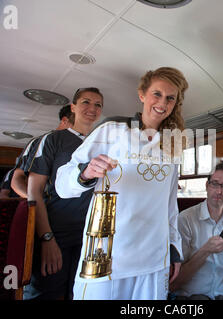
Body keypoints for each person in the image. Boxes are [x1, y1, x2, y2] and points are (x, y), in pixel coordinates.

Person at [55, 67, 189, 300]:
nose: (162, 103)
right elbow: (62, 183)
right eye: (156, 94)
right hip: (107, 253)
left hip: (154, 257)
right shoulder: (112, 130)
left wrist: (174, 250)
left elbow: (169, 206)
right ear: (142, 95)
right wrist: (85, 173)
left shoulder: (171, 145)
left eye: (170, 98)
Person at [24, 88, 103, 300]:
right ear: (73, 107)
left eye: (98, 105)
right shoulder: (53, 140)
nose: (92, 108)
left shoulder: (102, 144)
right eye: (86, 102)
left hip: (89, 239)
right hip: (54, 233)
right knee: (45, 294)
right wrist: (47, 238)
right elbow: (33, 192)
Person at [170, 161, 223, 300]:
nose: (219, 191)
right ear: (207, 185)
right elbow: (175, 283)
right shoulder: (185, 219)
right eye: (215, 184)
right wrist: (206, 250)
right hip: (190, 298)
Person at [11, 104, 74, 198]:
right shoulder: (39, 141)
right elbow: (17, 179)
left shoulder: (80, 145)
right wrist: (36, 202)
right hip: (47, 204)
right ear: (65, 120)